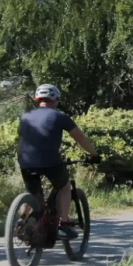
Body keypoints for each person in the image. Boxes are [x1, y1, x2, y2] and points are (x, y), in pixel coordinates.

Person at [18, 83, 99, 241]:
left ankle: (22, 220)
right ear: (55, 99)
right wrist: (94, 154)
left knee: (33, 192)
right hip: (50, 161)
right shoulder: (60, 116)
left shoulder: (25, 116)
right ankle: (64, 224)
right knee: (64, 186)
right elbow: (80, 138)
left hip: (25, 160)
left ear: (38, 99)